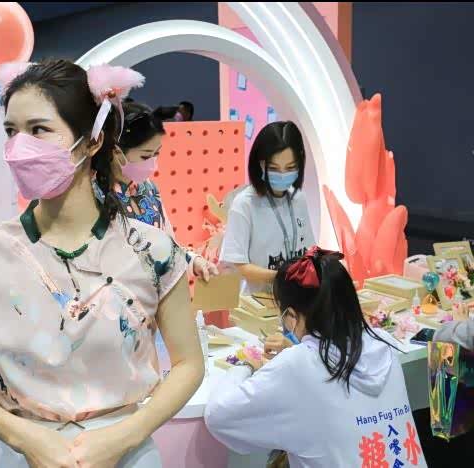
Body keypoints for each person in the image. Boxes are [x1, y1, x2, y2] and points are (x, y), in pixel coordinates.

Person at [0, 60, 205, 468]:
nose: (19, 148)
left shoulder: (151, 250)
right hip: (25, 456)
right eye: (11, 131)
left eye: (38, 130)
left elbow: (189, 364)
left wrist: (125, 435)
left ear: (92, 141)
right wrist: (23, 436)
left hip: (127, 454)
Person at [205, 247, 427, 467]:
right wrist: (297, 348)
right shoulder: (382, 343)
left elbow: (219, 415)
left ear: (291, 316)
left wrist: (245, 365)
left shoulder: (297, 364)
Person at [97, 100, 218, 282]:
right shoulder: (94, 196)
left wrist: (193, 261)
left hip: (157, 294)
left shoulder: (148, 188)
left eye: (156, 154)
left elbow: (168, 245)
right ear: (116, 152)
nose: (152, 163)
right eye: (146, 155)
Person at [220, 121, 315, 295]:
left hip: (298, 297)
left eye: (290, 168)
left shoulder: (298, 198)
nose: (283, 175)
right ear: (260, 164)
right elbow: (239, 265)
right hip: (258, 302)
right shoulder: (244, 204)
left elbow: (309, 249)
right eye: (274, 168)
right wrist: (280, 277)